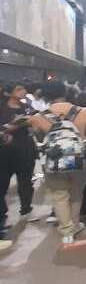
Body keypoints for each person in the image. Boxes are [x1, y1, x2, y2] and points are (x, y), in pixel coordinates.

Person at [28, 82, 86, 244]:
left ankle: (66, 231)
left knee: (59, 195)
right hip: (79, 158)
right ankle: (76, 223)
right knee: (77, 192)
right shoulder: (83, 111)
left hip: (53, 160)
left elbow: (38, 137)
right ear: (66, 92)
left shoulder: (38, 117)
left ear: (45, 96)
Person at [1, 82, 40, 226]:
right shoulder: (2, 108)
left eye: (23, 88)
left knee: (25, 182)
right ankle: (2, 213)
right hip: (6, 151)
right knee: (3, 183)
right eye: (19, 89)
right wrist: (10, 127)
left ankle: (26, 209)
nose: (23, 91)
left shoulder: (27, 108)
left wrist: (32, 124)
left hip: (25, 149)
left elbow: (36, 122)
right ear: (9, 93)